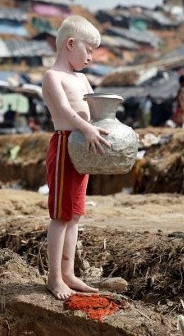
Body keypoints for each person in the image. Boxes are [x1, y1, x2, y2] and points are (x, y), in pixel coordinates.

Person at [41, 15, 111, 300]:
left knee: (75, 214)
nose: (91, 58)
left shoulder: (82, 78)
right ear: (70, 44)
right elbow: (66, 112)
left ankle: (69, 273)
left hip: (83, 146)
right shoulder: (52, 76)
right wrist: (88, 128)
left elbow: (94, 108)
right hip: (66, 144)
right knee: (60, 215)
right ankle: (54, 278)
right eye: (88, 49)